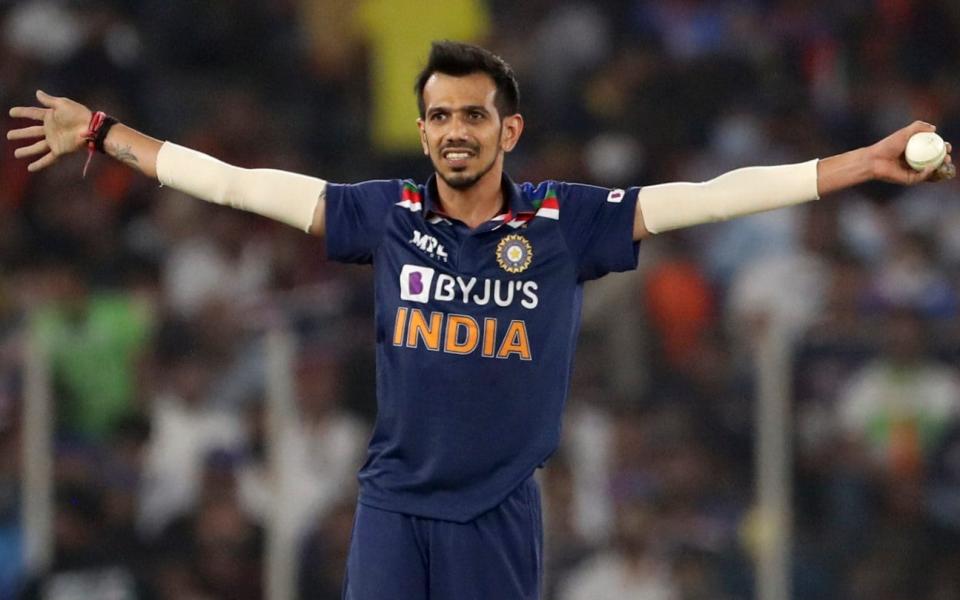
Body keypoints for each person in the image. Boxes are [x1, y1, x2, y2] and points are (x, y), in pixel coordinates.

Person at [6, 40, 955, 600]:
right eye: (439, 117)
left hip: (496, 509)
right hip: (392, 502)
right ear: (421, 131)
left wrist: (854, 166)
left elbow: (711, 195)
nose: (454, 130)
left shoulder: (564, 220)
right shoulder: (387, 214)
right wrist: (102, 134)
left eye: (473, 115)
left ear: (510, 130)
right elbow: (239, 185)